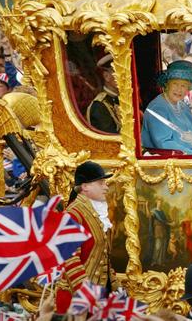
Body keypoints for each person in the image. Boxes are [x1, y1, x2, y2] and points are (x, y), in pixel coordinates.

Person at [56, 161, 121, 313]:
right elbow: (70, 260)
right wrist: (87, 292)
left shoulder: (97, 211)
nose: (106, 187)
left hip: (100, 294)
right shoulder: (72, 214)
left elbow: (103, 257)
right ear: (85, 187)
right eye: (101, 183)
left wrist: (115, 285)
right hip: (77, 299)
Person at [142, 60, 192, 154]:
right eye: (175, 83)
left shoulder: (184, 107)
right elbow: (163, 143)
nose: (179, 89)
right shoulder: (157, 107)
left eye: (183, 85)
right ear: (167, 84)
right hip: (168, 162)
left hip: (190, 158)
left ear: (188, 89)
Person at [87, 55, 120, 133]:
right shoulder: (100, 106)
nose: (125, 77)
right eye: (119, 73)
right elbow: (110, 139)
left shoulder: (123, 98)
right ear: (106, 76)